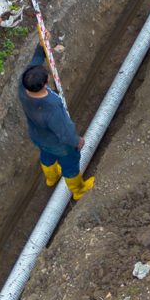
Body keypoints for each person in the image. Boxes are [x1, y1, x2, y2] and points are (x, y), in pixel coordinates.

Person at [18, 44, 94, 199]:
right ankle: (78, 190)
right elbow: (64, 132)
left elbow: (34, 62)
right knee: (70, 164)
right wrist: (76, 141)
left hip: (38, 137)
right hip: (59, 145)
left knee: (46, 156)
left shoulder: (23, 85)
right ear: (44, 84)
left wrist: (41, 46)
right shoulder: (51, 109)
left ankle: (51, 177)